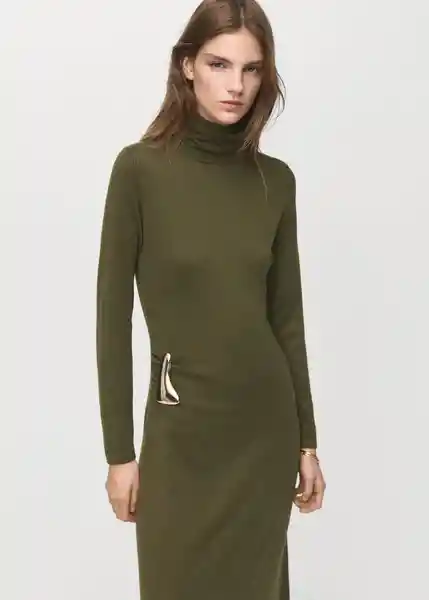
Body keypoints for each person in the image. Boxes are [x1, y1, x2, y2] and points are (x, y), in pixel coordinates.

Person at [96, 0, 326, 598]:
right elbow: (111, 321)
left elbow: (287, 319)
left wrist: (307, 442)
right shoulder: (139, 171)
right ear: (187, 66)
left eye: (251, 69)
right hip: (181, 436)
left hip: (263, 436)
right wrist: (120, 454)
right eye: (219, 64)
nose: (236, 86)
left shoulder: (275, 181)